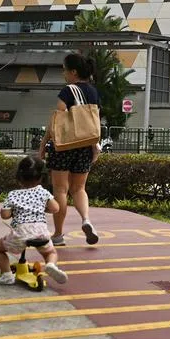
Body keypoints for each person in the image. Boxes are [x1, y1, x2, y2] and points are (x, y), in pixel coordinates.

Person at [37, 52, 102, 247]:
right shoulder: (93, 91)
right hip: (85, 145)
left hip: (64, 146)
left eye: (65, 70)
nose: (63, 73)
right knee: (79, 188)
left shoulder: (67, 91)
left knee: (61, 189)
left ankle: (58, 234)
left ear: (73, 72)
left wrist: (42, 145)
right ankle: (86, 220)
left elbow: (57, 120)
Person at [0, 155, 67, 285]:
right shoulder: (42, 192)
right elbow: (56, 208)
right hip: (41, 232)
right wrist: (42, 209)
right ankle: (51, 265)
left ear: (19, 177)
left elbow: (5, 215)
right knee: (50, 252)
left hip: (21, 233)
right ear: (40, 177)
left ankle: (6, 275)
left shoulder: (13, 194)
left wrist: (10, 211)